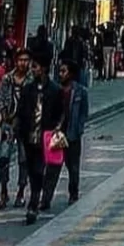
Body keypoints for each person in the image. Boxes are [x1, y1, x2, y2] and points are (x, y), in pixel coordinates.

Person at [16, 58, 62, 225]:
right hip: (29, 137)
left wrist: (57, 129)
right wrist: (19, 131)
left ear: (43, 68)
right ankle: (34, 198)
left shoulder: (55, 90)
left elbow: (60, 113)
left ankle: (33, 204)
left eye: (34, 66)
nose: (32, 69)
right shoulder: (28, 89)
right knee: (30, 168)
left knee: (38, 171)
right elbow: (21, 112)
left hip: (45, 138)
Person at [42, 59, 89, 209]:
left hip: (73, 135)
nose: (61, 74)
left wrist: (79, 128)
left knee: (73, 167)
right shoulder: (56, 90)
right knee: (52, 167)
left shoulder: (81, 91)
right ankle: (46, 199)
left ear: (71, 73)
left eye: (64, 71)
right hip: (57, 134)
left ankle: (73, 193)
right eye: (60, 71)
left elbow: (83, 113)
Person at [0, 47, 32, 210]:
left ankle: (21, 192)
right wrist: (5, 116)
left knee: (24, 159)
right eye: (20, 60)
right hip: (8, 124)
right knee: (3, 158)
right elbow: (1, 99)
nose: (23, 63)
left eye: (26, 60)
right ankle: (3, 192)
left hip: (25, 125)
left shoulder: (32, 79)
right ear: (16, 61)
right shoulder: (7, 79)